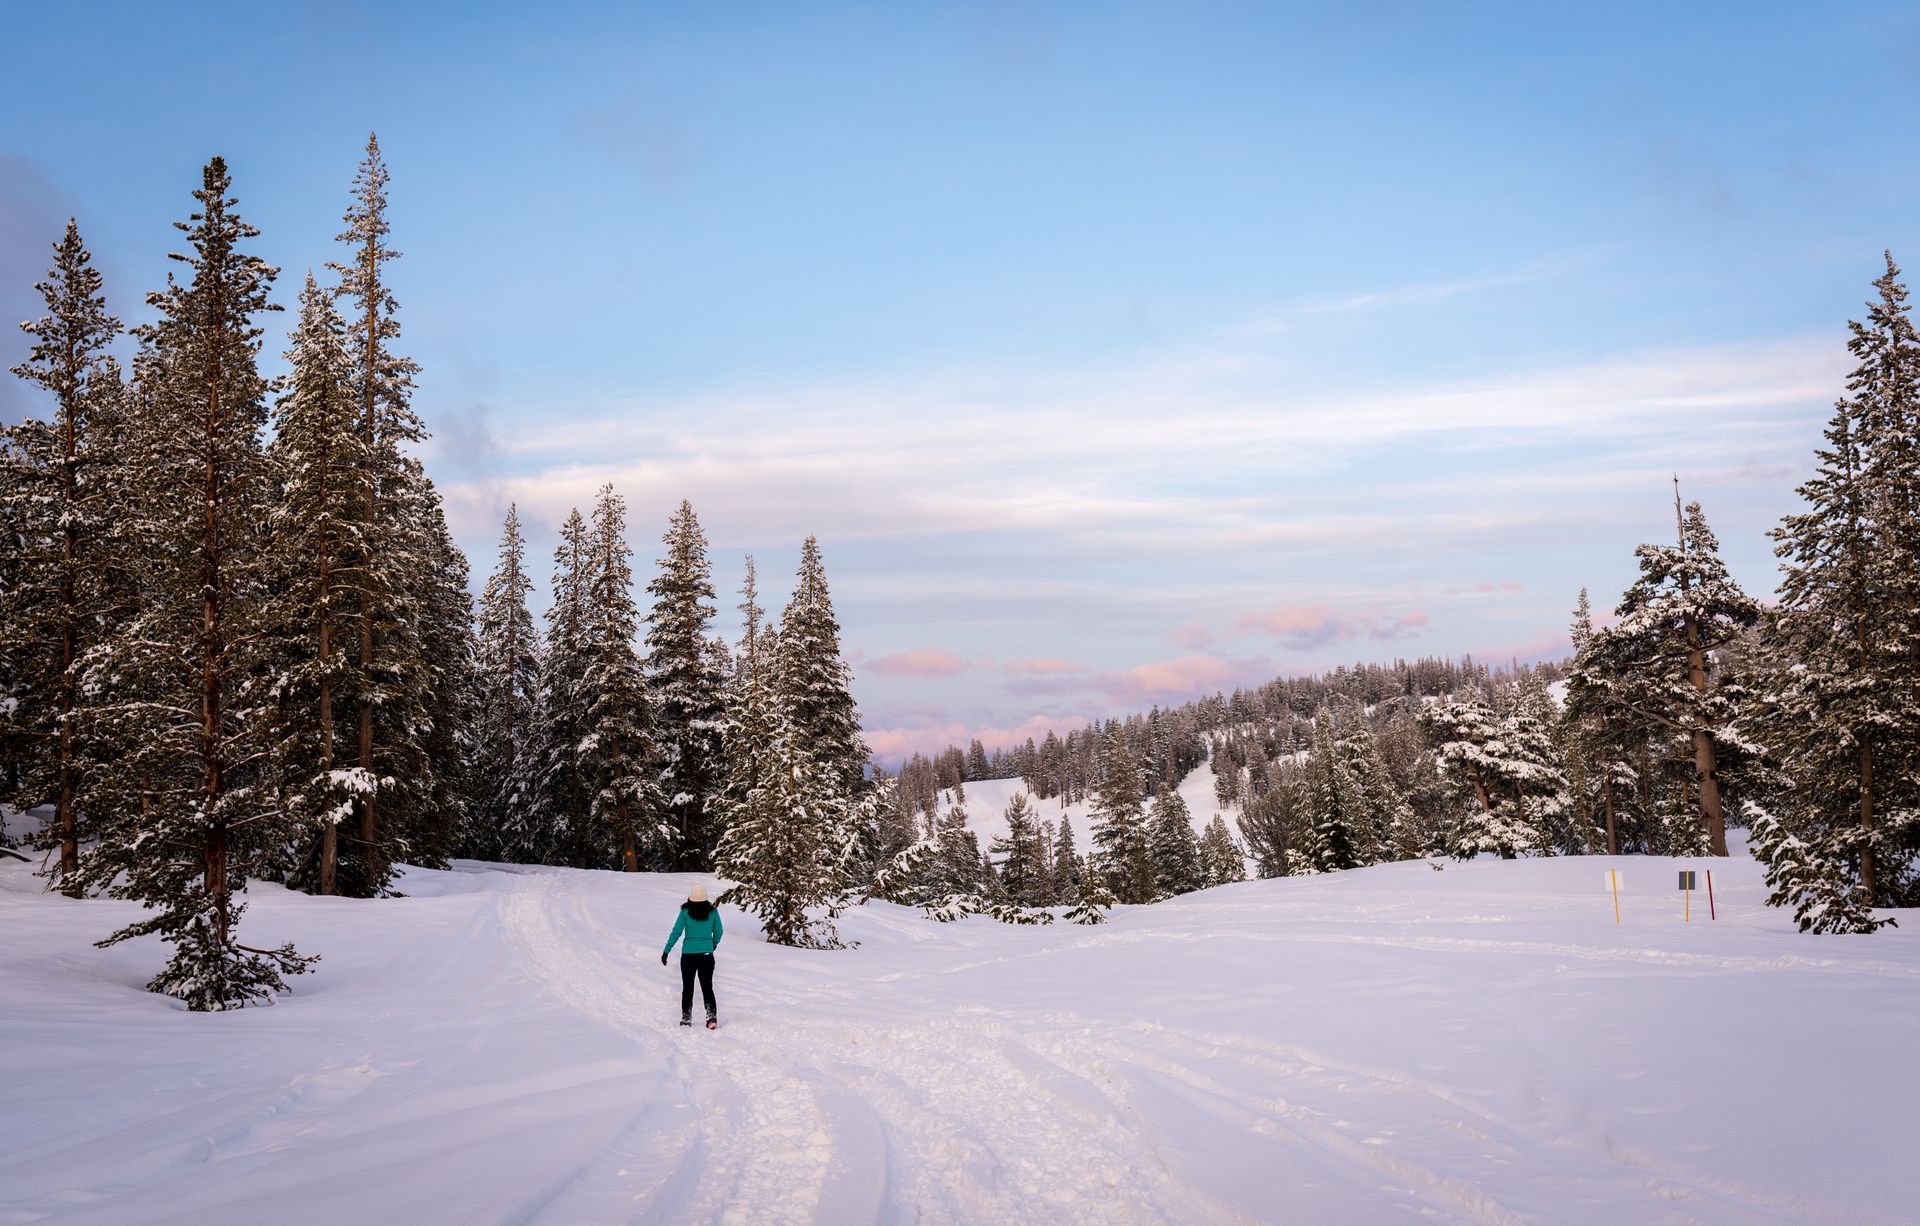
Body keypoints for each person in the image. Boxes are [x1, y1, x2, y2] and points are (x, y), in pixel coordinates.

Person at [661, 884, 723, 1028]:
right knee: (707, 987)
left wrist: (666, 950)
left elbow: (676, 932)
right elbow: (719, 931)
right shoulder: (712, 911)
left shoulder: (685, 911)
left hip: (688, 955)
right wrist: (712, 945)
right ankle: (711, 1017)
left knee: (687, 987)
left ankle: (686, 1017)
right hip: (706, 955)